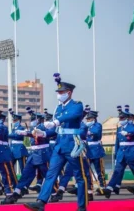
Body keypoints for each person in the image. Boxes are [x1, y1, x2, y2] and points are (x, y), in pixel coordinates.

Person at [24, 73, 89, 211]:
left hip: (73, 146)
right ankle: (41, 202)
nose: (59, 94)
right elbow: (57, 130)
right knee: (50, 174)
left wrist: (56, 121)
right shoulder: (58, 108)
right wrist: (44, 133)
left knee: (79, 177)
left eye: (61, 92)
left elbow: (72, 116)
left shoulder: (77, 105)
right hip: (59, 146)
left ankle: (82, 207)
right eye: (58, 92)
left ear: (69, 93)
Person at [1, 109, 52, 204]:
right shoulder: (34, 128)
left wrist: (28, 133)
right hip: (33, 154)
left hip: (42, 154)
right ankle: (16, 193)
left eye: (34, 118)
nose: (32, 121)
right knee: (25, 174)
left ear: (39, 119)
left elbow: (47, 134)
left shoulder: (44, 127)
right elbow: (32, 134)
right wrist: (25, 133)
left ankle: (54, 193)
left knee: (48, 175)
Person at [101, 108, 134, 199]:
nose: (121, 120)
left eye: (123, 118)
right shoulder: (119, 128)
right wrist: (116, 155)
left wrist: (127, 134)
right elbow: (117, 143)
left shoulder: (132, 126)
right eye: (120, 118)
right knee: (117, 171)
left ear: (127, 118)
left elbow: (133, 133)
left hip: (132, 152)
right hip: (121, 154)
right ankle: (109, 188)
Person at [8, 108, 28, 174]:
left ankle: (24, 182)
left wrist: (9, 135)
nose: (14, 122)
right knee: (10, 166)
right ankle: (14, 181)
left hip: (20, 149)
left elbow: (17, 136)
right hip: (13, 149)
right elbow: (13, 135)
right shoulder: (14, 129)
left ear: (19, 120)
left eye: (15, 120)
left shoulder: (21, 128)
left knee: (22, 167)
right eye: (13, 120)